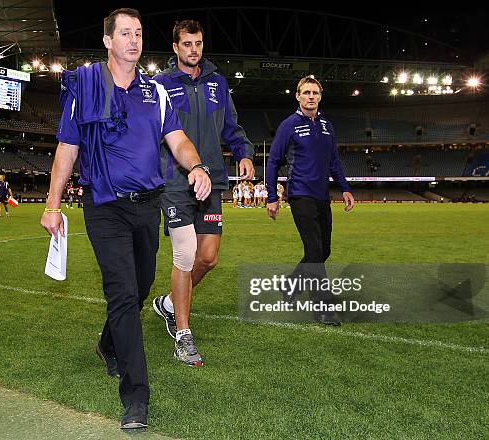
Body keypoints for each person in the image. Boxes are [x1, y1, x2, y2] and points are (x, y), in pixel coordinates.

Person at [39, 8, 211, 430]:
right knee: (122, 295)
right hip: (105, 206)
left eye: (138, 33)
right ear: (108, 41)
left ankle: (106, 343)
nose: (134, 40)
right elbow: (67, 148)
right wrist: (52, 203)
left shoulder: (157, 92)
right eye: (125, 33)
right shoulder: (87, 87)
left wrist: (196, 166)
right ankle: (136, 398)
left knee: (139, 285)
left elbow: (179, 140)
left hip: (147, 206)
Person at [151, 19, 255, 366]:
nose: (194, 49)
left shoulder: (217, 83)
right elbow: (151, 133)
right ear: (176, 48)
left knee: (208, 258)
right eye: (187, 44)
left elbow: (231, 127)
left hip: (210, 181)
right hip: (175, 183)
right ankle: (183, 334)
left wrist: (244, 154)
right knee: (184, 253)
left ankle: (168, 303)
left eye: (198, 44)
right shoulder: (161, 85)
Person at [266, 75, 354, 326]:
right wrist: (272, 197)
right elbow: (273, 162)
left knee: (324, 250)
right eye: (306, 92)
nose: (311, 96)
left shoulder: (327, 125)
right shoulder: (289, 125)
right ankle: (321, 305)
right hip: (300, 194)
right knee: (314, 251)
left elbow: (334, 161)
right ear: (298, 96)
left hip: (322, 196)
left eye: (315, 93)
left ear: (320, 96)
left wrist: (345, 188)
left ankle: (290, 284)